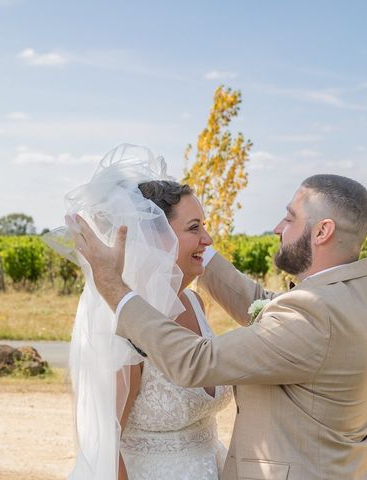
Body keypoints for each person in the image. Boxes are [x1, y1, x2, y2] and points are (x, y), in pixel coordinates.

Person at [72, 173, 367, 479]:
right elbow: (262, 303)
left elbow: (195, 361)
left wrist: (115, 286)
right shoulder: (357, 293)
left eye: (290, 218)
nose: (277, 227)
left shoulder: (314, 314)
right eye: (196, 227)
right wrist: (187, 246)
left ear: (323, 231)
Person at [44, 144, 231, 480]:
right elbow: (106, 444)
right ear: (157, 239)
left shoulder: (195, 304)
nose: (207, 238)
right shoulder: (122, 323)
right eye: (194, 228)